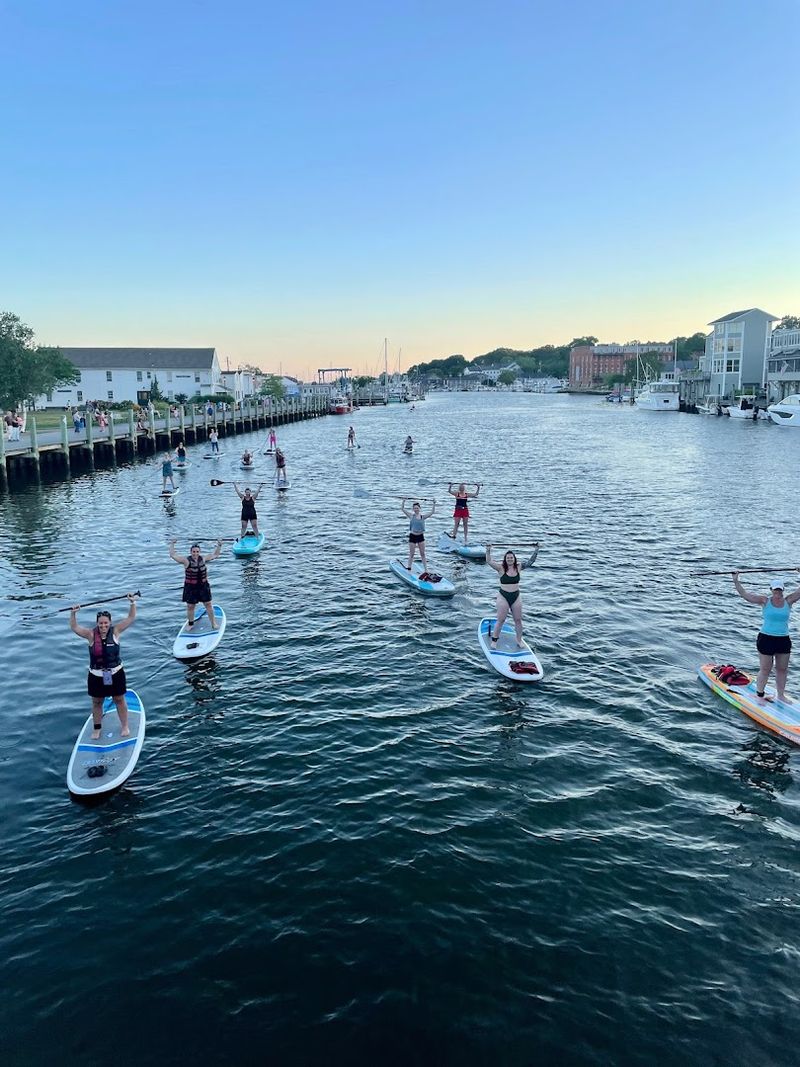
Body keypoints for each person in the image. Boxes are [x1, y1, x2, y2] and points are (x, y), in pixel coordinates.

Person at [69, 594, 137, 739]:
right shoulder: (90, 635)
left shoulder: (116, 631)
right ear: (97, 624)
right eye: (100, 624)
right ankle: (97, 728)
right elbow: (74, 627)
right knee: (97, 702)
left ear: (110, 623)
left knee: (119, 699)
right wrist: (73, 613)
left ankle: (124, 726)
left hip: (116, 673)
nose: (103, 626)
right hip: (96, 675)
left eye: (106, 623)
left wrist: (132, 603)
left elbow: (131, 618)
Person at [732, 572, 800, 702]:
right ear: (771, 589)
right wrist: (736, 581)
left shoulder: (789, 601)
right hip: (766, 639)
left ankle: (781, 695)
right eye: (775, 589)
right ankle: (759, 695)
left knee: (782, 669)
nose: (777, 592)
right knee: (765, 669)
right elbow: (746, 596)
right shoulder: (765, 601)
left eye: (779, 589)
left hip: (783, 639)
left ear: (783, 590)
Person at [485, 545, 539, 649]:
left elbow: (531, 562)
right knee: (501, 620)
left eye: (511, 557)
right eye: (508, 558)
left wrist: (536, 550)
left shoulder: (519, 567)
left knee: (518, 620)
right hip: (503, 596)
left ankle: (519, 640)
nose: (510, 559)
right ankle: (495, 640)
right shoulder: (500, 568)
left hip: (516, 596)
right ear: (505, 559)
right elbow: (489, 561)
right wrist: (488, 550)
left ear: (514, 559)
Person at [170, 540, 223, 629]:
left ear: (199, 552)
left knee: (208, 604)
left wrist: (219, 545)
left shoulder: (203, 559)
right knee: (191, 606)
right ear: (191, 552)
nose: (195, 554)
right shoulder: (186, 561)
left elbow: (215, 555)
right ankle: (191, 624)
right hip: (191, 587)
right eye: (194, 552)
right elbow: (173, 555)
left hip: (203, 586)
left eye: (197, 552)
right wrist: (172, 544)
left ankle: (213, 623)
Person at [401, 498, 436, 572]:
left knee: (422, 554)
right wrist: (403, 501)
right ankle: (409, 568)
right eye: (414, 508)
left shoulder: (423, 517)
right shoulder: (411, 516)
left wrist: (434, 503)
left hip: (420, 536)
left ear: (420, 508)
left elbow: (432, 512)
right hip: (413, 536)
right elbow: (402, 509)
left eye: (417, 508)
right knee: (412, 554)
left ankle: (426, 570)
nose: (416, 509)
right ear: (413, 509)